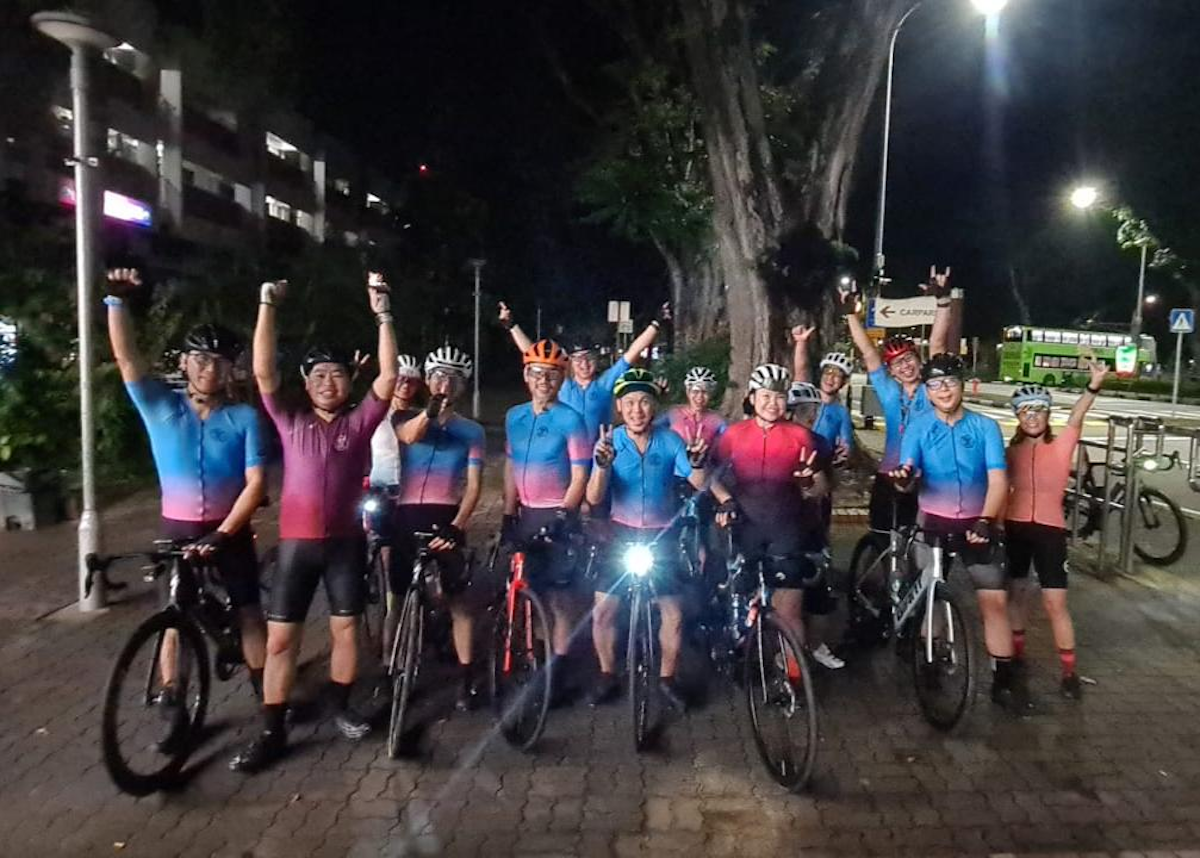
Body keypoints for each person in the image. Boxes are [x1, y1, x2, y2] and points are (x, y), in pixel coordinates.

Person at [231, 272, 398, 773]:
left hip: (345, 544)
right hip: (296, 547)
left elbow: (387, 378)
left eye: (338, 374)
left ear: (349, 382)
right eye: (319, 375)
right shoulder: (290, 420)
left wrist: (384, 314)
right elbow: (263, 374)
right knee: (282, 640)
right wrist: (267, 306)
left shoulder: (359, 422)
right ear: (307, 384)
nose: (329, 382)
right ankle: (271, 728)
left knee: (346, 633)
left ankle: (342, 705)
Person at [104, 268, 267, 707]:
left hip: (227, 529)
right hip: (176, 529)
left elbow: (256, 484)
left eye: (219, 362)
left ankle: (264, 687)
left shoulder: (244, 419)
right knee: (173, 610)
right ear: (183, 363)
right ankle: (171, 688)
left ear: (231, 369)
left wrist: (224, 533)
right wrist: (116, 301)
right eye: (199, 359)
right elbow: (127, 359)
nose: (209, 370)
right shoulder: (159, 406)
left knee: (249, 608)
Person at [890, 354, 1027, 712]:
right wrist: (904, 482)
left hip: (976, 525)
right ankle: (930, 661)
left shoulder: (985, 427)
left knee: (994, 602)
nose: (944, 389)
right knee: (931, 597)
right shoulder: (918, 426)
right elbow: (908, 473)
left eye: (950, 381)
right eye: (935, 384)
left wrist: (986, 519)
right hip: (933, 523)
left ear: (963, 385)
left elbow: (999, 480)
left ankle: (1004, 679)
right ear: (928, 391)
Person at [586, 369, 709, 710]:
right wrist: (601, 466)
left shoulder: (670, 441)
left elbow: (697, 480)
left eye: (644, 402)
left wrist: (698, 463)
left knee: (674, 612)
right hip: (620, 534)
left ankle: (668, 678)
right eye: (629, 403)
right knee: (603, 612)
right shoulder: (609, 442)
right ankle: (607, 673)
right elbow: (594, 498)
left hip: (660, 537)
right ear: (620, 407)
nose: (637, 409)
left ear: (653, 407)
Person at [1005, 361, 1108, 699]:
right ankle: (1017, 655)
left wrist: (1093, 385)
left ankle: (1068, 672)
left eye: (1038, 411)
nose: (1032, 417)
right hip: (1016, 527)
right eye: (1025, 412)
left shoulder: (1061, 445)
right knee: (1016, 593)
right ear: (1018, 418)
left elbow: (1077, 415)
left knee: (1054, 603)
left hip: (1050, 531)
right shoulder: (1011, 452)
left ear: (1048, 415)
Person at [710, 363, 829, 655]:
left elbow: (821, 487)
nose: (772, 403)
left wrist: (807, 484)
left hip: (786, 530)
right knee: (736, 600)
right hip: (745, 528)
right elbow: (712, 476)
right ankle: (739, 648)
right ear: (751, 398)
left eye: (779, 397)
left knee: (789, 613)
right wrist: (725, 499)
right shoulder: (733, 435)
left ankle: (794, 680)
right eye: (765, 396)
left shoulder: (801, 436)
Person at [390, 346, 485, 711]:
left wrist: (458, 526)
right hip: (405, 514)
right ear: (427, 381)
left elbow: (474, 486)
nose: (444, 383)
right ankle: (394, 668)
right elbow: (411, 437)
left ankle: (465, 678)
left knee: (459, 602)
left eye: (453, 379)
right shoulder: (406, 415)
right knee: (398, 598)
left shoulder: (471, 431)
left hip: (444, 514)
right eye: (438, 377)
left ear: (461, 387)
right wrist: (429, 412)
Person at [502, 339, 591, 695]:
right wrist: (508, 511)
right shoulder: (514, 416)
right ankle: (534, 658)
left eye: (552, 375)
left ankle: (560, 669)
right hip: (526, 512)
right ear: (526, 376)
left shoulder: (571, 419)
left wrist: (564, 513)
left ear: (561, 379)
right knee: (528, 592)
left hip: (557, 514)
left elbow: (581, 474)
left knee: (558, 600)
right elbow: (510, 465)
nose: (544, 381)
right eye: (537, 374)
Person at [843, 270, 952, 532]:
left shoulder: (931, 389)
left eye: (909, 359)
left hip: (926, 476)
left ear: (918, 360)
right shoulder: (891, 392)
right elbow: (869, 352)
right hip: (889, 473)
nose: (905, 367)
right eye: (897, 363)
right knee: (882, 534)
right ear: (890, 371)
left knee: (924, 540)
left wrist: (943, 301)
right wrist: (850, 313)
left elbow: (936, 344)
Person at [498, 300, 669, 441]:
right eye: (578, 359)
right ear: (571, 361)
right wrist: (512, 326)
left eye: (589, 358)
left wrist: (656, 323)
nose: (584, 364)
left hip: (599, 455)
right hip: (568, 456)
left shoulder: (604, 383)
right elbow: (534, 356)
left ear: (596, 359)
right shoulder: (564, 384)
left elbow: (632, 352)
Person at [367, 353, 424, 664]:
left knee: (408, 561)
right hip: (382, 492)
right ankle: (390, 646)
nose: (404, 384)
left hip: (413, 497)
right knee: (388, 565)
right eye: (399, 378)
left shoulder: (418, 416)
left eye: (410, 380)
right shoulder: (373, 412)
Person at [791, 325, 854, 459]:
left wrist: (844, 450)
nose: (830, 378)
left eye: (837, 375)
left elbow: (845, 442)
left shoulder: (841, 412)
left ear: (844, 382)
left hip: (820, 463)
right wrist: (801, 342)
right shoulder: (807, 396)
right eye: (827, 373)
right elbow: (801, 371)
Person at [660, 366, 727, 449]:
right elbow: (650, 430)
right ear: (688, 392)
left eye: (705, 392)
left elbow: (731, 443)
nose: (700, 397)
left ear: (711, 394)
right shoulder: (673, 413)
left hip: (704, 461)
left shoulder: (717, 420)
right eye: (695, 392)